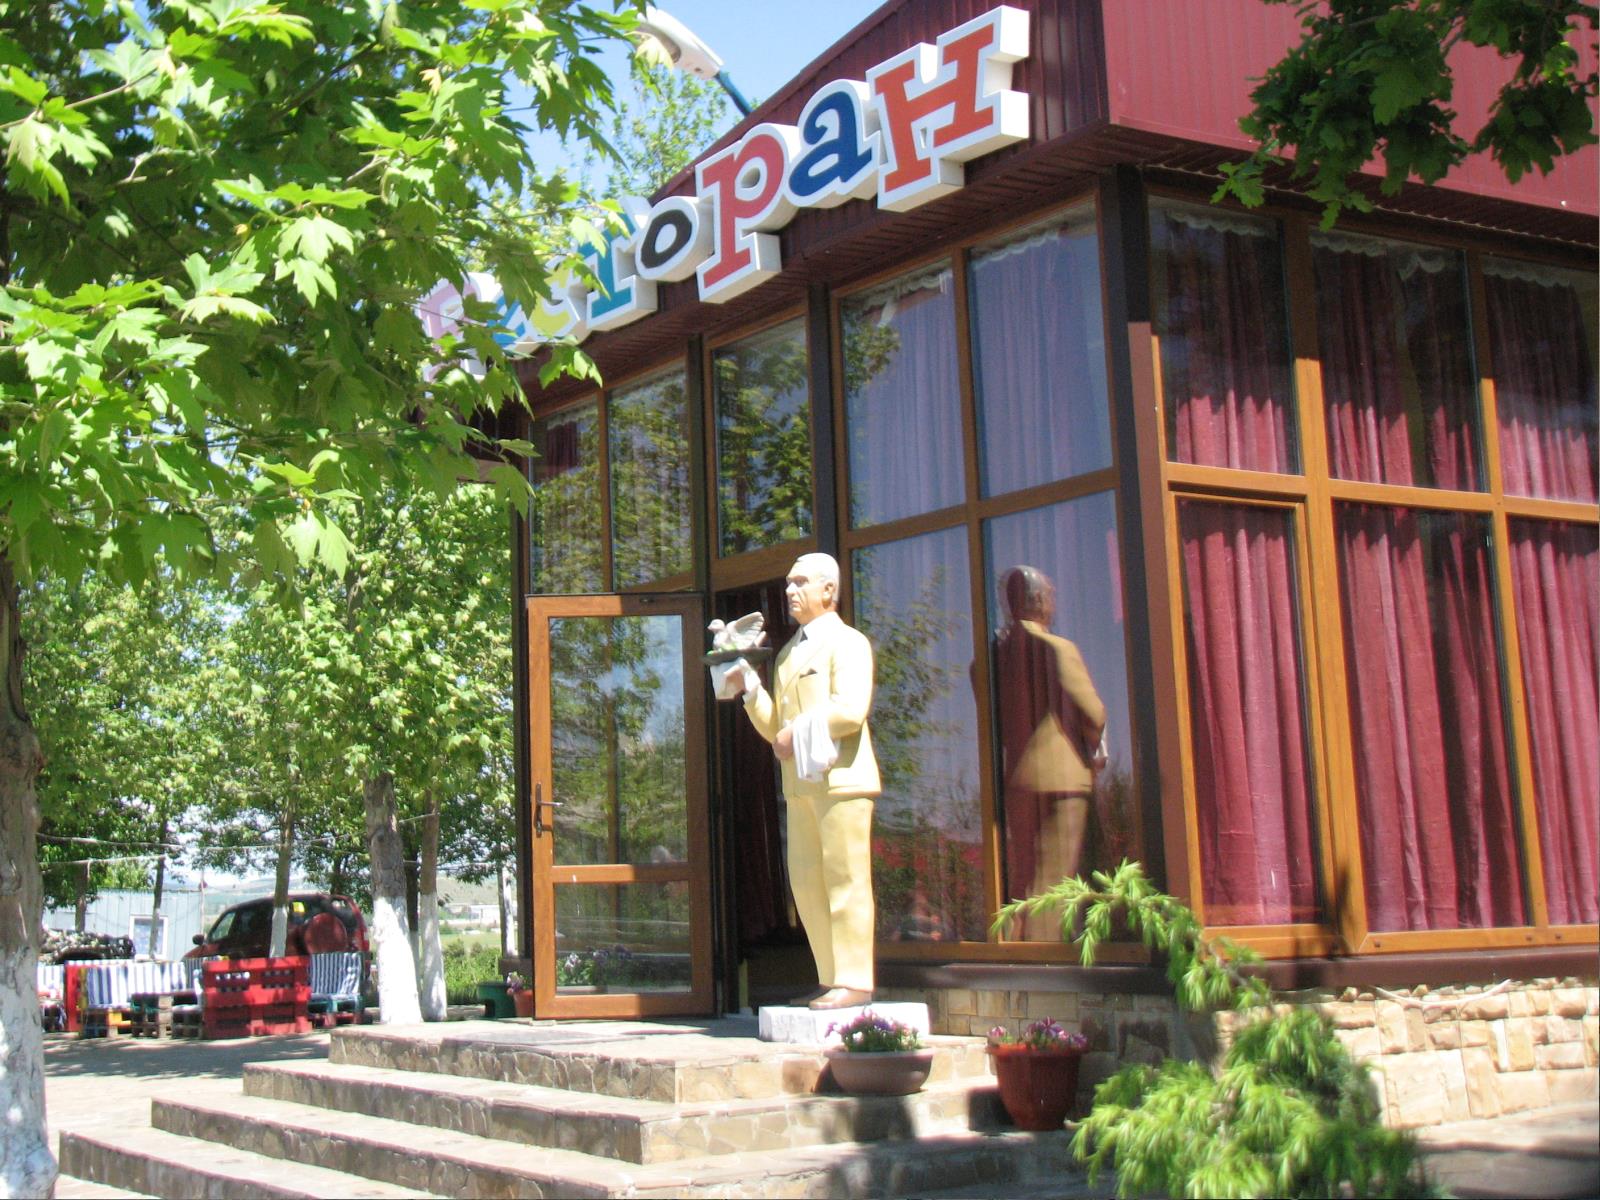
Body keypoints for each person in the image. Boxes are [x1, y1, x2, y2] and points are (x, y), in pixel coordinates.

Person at [726, 552, 881, 1010]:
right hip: (800, 787)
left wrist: (797, 732)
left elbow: (851, 710)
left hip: (843, 782)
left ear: (828, 590)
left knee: (846, 881)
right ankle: (830, 978)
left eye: (800, 583)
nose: (790, 591)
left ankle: (855, 980)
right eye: (789, 583)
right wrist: (751, 689)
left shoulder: (848, 643)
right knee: (809, 885)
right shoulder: (789, 653)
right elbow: (775, 728)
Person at [993, 565, 1106, 942]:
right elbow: (1092, 713)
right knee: (1054, 878)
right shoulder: (1057, 648)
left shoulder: (992, 657)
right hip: (1063, 778)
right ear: (1038, 599)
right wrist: (1093, 744)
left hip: (1017, 777)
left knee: (1023, 876)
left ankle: (1012, 946)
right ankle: (1041, 953)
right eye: (1051, 595)